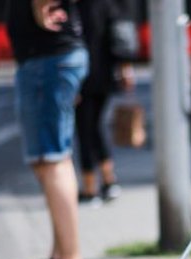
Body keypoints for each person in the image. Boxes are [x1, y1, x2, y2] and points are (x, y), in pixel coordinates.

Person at [6, 0, 88, 259]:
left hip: (48, 60)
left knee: (53, 160)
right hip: (47, 59)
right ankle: (60, 257)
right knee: (47, 161)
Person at [75, 0, 134, 206]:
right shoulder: (108, 3)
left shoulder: (77, 7)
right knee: (95, 128)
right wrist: (125, 68)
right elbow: (119, 33)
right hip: (105, 75)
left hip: (82, 77)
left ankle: (90, 189)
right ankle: (109, 181)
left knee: (85, 130)